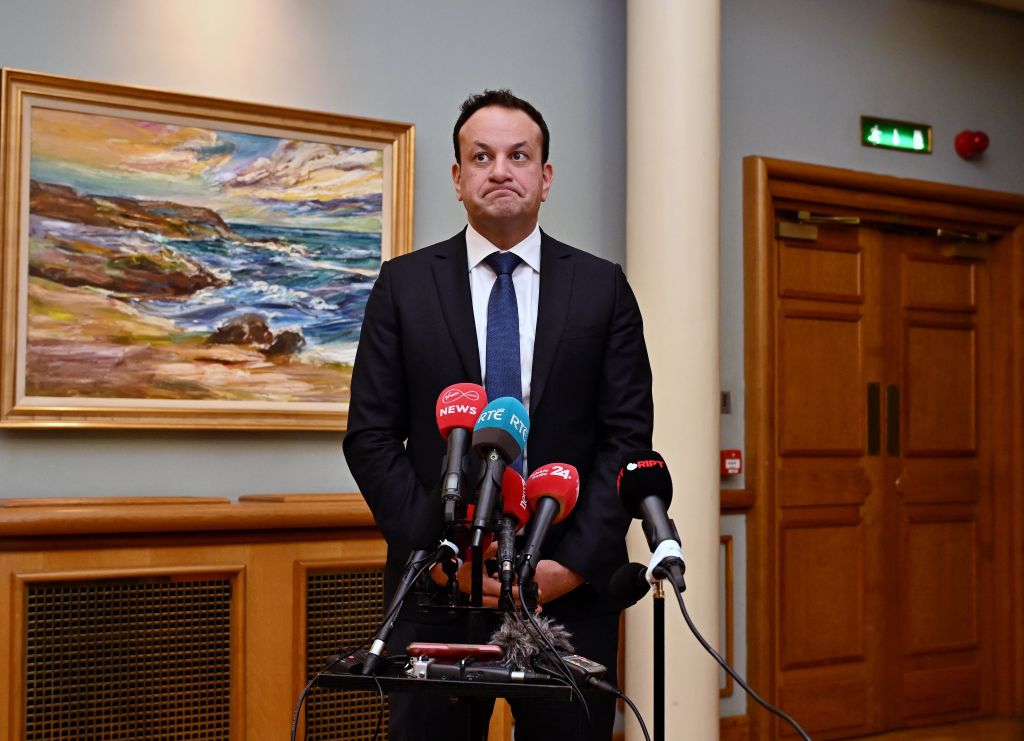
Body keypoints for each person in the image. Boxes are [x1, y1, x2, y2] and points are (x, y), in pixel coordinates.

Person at [343, 89, 653, 741]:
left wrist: (568, 567)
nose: (500, 170)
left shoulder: (603, 287)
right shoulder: (403, 286)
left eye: (519, 154)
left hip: (566, 592)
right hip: (436, 593)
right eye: (481, 156)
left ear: (546, 176)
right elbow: (370, 436)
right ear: (457, 179)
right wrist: (434, 555)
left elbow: (626, 438)